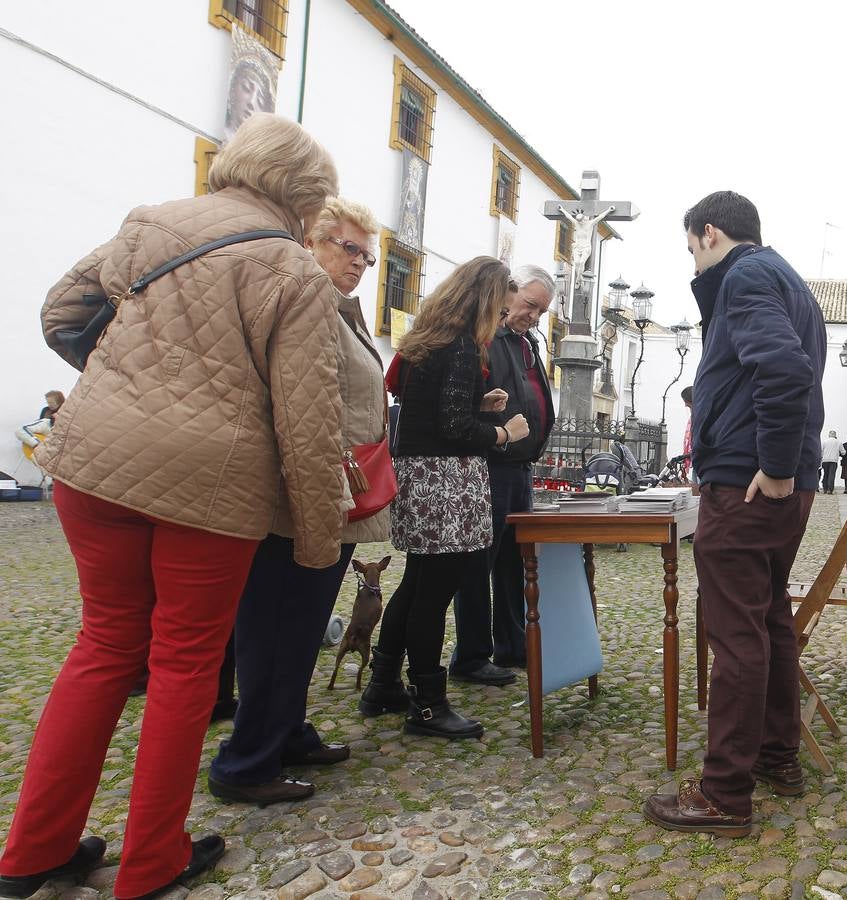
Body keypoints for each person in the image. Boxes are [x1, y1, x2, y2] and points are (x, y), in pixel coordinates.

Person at [0, 113, 345, 900]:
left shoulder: (153, 222)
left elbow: (61, 313)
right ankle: (150, 860)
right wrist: (319, 540)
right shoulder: (293, 271)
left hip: (92, 464)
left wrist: (130, 385)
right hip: (210, 482)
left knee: (100, 648)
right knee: (184, 662)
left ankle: (31, 852)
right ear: (303, 194)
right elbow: (307, 416)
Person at [644, 191, 825, 837]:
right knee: (769, 622)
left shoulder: (746, 275)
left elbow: (782, 369)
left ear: (709, 232)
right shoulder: (784, 278)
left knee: (739, 637)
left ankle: (723, 794)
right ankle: (777, 756)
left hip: (750, 486)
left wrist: (773, 467)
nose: (693, 264)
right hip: (778, 484)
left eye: (692, 249)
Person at [208, 197, 390, 807]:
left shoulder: (340, 310)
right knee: (276, 626)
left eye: (369, 255)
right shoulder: (301, 301)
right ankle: (247, 757)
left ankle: (285, 728)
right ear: (310, 241)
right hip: (298, 493)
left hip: (331, 491)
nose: (361, 263)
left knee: (303, 622)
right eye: (350, 249)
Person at [360, 257, 529, 740]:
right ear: (483, 301)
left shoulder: (428, 340)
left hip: (421, 475)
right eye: (499, 310)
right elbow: (453, 430)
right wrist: (503, 432)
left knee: (416, 585)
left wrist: (477, 402)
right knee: (433, 595)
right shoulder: (458, 347)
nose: (499, 321)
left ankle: (384, 685)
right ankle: (428, 703)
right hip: (444, 483)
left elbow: (432, 414)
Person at [449, 263, 556, 677]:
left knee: (514, 563)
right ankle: (472, 655)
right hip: (489, 465)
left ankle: (512, 645)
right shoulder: (486, 337)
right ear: (511, 294)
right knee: (479, 562)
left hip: (520, 467)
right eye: (529, 304)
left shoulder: (526, 343)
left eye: (541, 312)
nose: (532, 315)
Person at [680, 386, 695, 481]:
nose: (685, 405)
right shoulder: (693, 417)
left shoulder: (698, 417)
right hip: (695, 460)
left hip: (699, 459)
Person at [820, 430, 840, 494]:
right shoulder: (838, 442)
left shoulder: (824, 442)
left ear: (829, 435)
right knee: (832, 475)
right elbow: (843, 452)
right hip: (834, 460)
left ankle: (825, 488)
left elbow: (821, 451)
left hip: (825, 460)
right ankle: (830, 489)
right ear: (835, 435)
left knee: (825, 474)